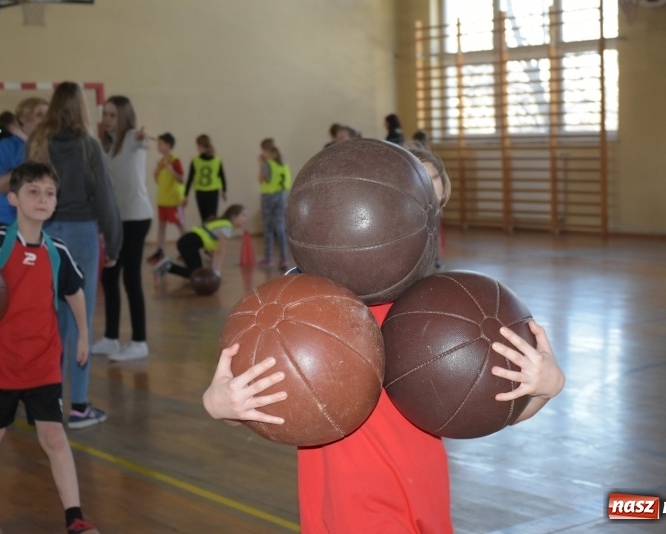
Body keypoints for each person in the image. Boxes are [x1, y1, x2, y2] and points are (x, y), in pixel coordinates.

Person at [202, 151, 565, 533]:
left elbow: (491, 410)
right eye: (406, 200)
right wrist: (221, 406)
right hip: (346, 512)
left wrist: (543, 390)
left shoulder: (444, 317)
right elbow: (257, 407)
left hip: (423, 501)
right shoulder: (310, 310)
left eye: (430, 208)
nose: (417, 218)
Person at [0, 161, 101, 534]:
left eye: (49, 193)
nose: (42, 198)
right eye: (33, 191)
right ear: (13, 198)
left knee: (54, 437)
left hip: (42, 361)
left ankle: (74, 517)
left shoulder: (56, 249)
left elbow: (74, 291)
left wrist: (82, 334)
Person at [26, 81, 123, 429]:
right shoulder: (88, 147)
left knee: (48, 322)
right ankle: (79, 406)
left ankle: (48, 401)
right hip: (81, 235)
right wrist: (113, 245)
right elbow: (106, 200)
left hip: (45, 234)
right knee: (81, 322)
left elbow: (24, 190)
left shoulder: (38, 144)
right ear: (81, 107)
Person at [90, 95, 153, 362]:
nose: (107, 119)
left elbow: (143, 142)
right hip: (116, 220)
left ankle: (139, 341)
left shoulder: (130, 139)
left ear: (124, 116)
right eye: (105, 114)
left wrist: (142, 138)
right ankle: (111, 338)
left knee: (131, 278)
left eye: (113, 115)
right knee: (109, 277)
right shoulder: (107, 145)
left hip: (136, 219)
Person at [0, 98, 49, 226]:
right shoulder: (7, 147)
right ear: (22, 119)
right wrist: (28, 170)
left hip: (42, 220)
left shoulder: (52, 146)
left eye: (47, 115)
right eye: (39, 115)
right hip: (9, 220)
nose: (45, 120)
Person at [153, 204, 246, 282]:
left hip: (186, 242)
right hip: (188, 244)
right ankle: (167, 266)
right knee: (198, 275)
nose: (245, 219)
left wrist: (215, 272)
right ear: (234, 216)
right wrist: (217, 273)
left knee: (195, 273)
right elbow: (221, 251)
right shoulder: (227, 227)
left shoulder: (223, 223)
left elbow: (216, 253)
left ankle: (168, 266)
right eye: (243, 215)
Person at [146, 132, 186, 264]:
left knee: (180, 224)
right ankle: (160, 251)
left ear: (168, 145)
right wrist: (156, 172)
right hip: (162, 199)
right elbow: (158, 180)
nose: (158, 146)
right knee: (161, 226)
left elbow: (181, 179)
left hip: (174, 200)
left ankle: (188, 247)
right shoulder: (159, 162)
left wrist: (171, 170)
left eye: (161, 144)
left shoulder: (175, 160)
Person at [258, 138, 291, 270]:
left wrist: (260, 164)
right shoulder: (284, 163)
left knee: (268, 228)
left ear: (266, 150)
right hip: (281, 196)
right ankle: (284, 258)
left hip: (268, 197)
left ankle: (268, 258)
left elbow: (261, 179)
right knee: (281, 228)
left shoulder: (267, 164)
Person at [184, 134, 226, 223]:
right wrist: (185, 195)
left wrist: (224, 190)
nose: (197, 148)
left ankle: (212, 236)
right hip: (205, 192)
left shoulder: (216, 160)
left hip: (208, 192)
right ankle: (207, 236)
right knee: (207, 217)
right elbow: (190, 178)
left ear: (201, 146)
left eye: (197, 146)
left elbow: (221, 176)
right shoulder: (196, 160)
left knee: (210, 218)